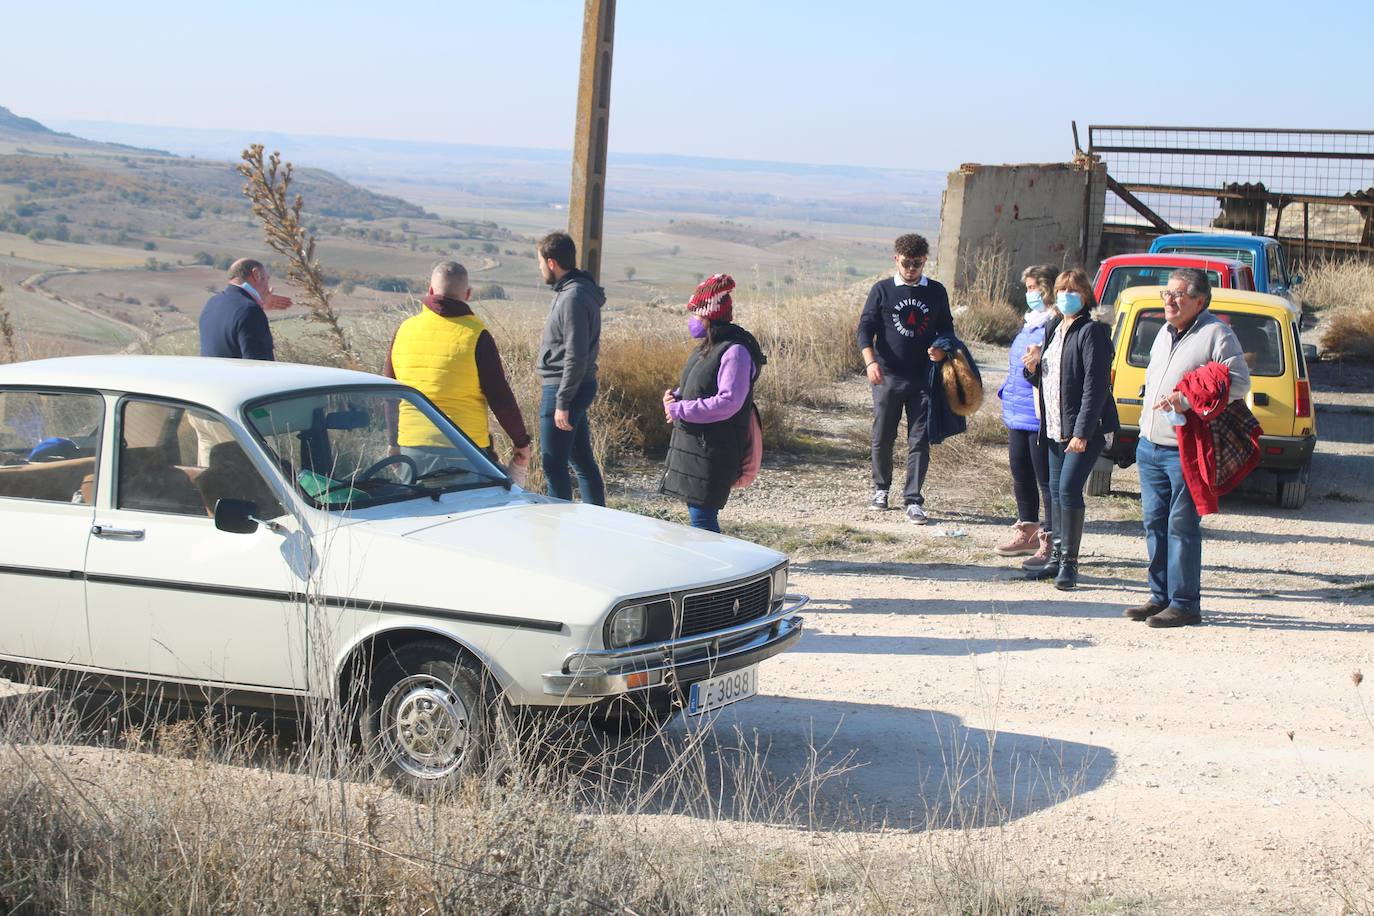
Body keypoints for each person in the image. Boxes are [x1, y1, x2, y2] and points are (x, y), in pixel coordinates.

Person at [1129, 268, 1250, 628]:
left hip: (1184, 450)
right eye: (1167, 293)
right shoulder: (1163, 333)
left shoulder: (1216, 333)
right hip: (1149, 446)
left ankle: (1184, 604)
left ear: (1199, 300)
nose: (1169, 299)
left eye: (1178, 294)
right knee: (1154, 523)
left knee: (1181, 525)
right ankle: (1160, 597)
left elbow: (1240, 383)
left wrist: (1187, 399)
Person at [383, 260, 532, 479]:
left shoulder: (404, 330)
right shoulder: (477, 335)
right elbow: (500, 398)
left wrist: (393, 442)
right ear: (468, 294)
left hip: (413, 447)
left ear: (431, 290)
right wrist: (521, 442)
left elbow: (390, 396)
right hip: (467, 449)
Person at [1022, 268, 1119, 590]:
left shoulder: (1093, 332)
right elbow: (1045, 379)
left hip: (1083, 429)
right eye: (1062, 290)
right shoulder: (1053, 327)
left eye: (1073, 290)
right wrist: (1032, 367)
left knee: (1068, 490)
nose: (1066, 295)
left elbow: (1095, 386)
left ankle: (1069, 564)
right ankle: (1054, 558)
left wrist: (1082, 432)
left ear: (1086, 296)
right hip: (1053, 427)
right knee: (1052, 489)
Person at [856, 233, 953, 524]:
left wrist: (942, 349)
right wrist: (870, 362)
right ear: (896, 259)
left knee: (919, 440)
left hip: (924, 378)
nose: (911, 269)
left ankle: (913, 499)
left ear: (925, 261)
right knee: (883, 435)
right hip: (887, 376)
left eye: (917, 264)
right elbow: (864, 328)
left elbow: (947, 328)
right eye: (906, 263)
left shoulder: (936, 291)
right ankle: (881, 489)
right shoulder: (882, 290)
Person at [661, 274, 765, 533]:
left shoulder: (735, 351)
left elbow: (729, 401)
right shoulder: (708, 346)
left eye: (696, 315)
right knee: (699, 513)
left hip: (715, 449)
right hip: (698, 446)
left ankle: (717, 570)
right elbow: (698, 384)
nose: (693, 321)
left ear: (710, 316)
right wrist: (674, 397)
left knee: (703, 517)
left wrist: (681, 409)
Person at [535, 231, 606, 505]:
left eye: (540, 262)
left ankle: (558, 528)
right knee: (581, 460)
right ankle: (599, 521)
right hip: (572, 385)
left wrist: (562, 401)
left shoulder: (573, 297)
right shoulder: (574, 290)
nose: (540, 268)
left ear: (552, 262)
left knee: (553, 465)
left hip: (563, 387)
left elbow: (575, 354)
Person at [996, 264, 1057, 567]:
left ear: (1047, 289)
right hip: (1017, 411)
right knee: (1021, 474)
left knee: (1044, 479)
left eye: (1034, 287)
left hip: (1039, 414)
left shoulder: (1054, 324)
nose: (1029, 293)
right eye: (1028, 287)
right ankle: (1027, 530)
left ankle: (1050, 539)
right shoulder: (1030, 322)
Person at [198, 258, 292, 360]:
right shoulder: (250, 311)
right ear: (257, 275)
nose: (268, 286)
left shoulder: (212, 303)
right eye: (267, 278)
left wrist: (259, 304)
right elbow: (260, 366)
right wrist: (256, 308)